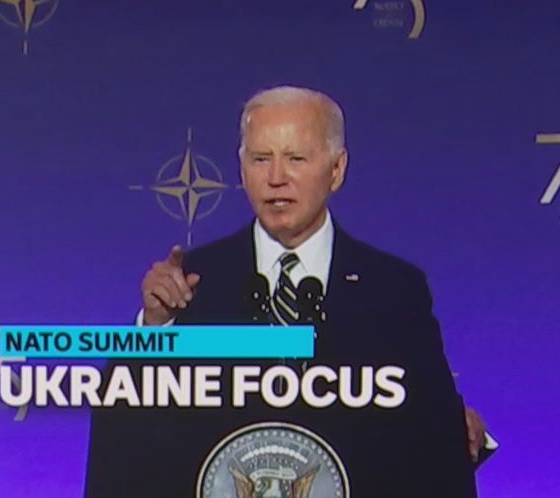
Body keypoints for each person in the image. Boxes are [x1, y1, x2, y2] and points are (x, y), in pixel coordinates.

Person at [138, 86, 493, 464]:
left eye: (295, 158)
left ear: (336, 170)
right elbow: (134, 423)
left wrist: (456, 430)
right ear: (242, 169)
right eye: (260, 159)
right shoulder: (194, 282)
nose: (276, 177)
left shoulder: (395, 290)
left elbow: (429, 413)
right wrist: (155, 327)